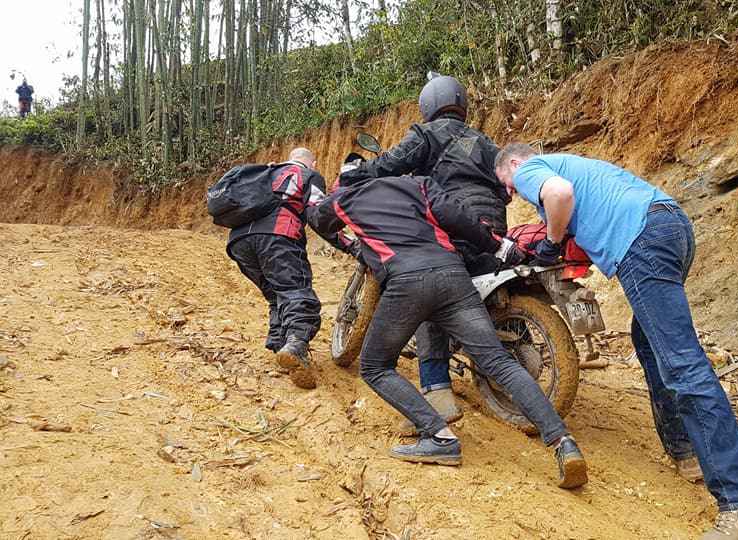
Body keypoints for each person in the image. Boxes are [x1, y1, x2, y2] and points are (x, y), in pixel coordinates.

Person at [494, 144, 738, 539]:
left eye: (506, 184)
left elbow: (558, 194)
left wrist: (552, 242)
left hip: (642, 242)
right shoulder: (584, 166)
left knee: (682, 364)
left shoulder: (531, 169)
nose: (511, 192)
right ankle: (687, 450)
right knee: (649, 345)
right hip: (672, 226)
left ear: (513, 164)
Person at [303, 174, 588, 488]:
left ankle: (439, 436)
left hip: (406, 282)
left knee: (375, 366)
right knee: (499, 362)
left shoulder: (344, 199)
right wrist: (500, 246)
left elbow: (318, 219)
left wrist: (352, 247)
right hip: (452, 275)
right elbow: (458, 218)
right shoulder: (418, 184)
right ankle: (564, 443)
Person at [339, 74, 507, 435]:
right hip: (493, 226)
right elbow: (504, 189)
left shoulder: (427, 135)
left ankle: (437, 392)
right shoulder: (484, 141)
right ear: (461, 104)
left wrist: (358, 173)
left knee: (431, 294)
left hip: (451, 224)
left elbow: (390, 165)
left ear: (428, 104)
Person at [227, 148, 326, 390]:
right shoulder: (307, 174)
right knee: (295, 291)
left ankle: (278, 343)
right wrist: (350, 245)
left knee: (275, 294)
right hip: (278, 236)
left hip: (239, 242)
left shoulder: (264, 173)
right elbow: (320, 213)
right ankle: (295, 345)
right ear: (312, 162)